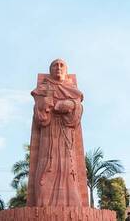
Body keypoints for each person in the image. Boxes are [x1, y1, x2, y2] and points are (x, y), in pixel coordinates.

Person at [27, 59, 88, 207]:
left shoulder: (73, 91)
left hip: (67, 136)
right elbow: (40, 117)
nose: (58, 68)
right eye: (55, 65)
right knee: (46, 169)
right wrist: (47, 105)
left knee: (69, 169)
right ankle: (42, 206)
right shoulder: (44, 88)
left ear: (66, 70)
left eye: (62, 65)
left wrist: (71, 104)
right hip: (48, 137)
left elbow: (77, 114)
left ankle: (72, 205)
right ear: (51, 70)